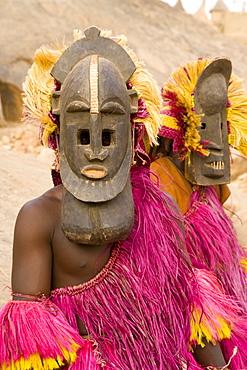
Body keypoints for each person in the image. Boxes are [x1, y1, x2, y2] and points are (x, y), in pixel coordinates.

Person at [0, 28, 237, 370]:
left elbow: (192, 306)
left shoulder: (161, 208)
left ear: (132, 130)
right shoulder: (39, 218)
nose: (96, 150)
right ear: (59, 135)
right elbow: (32, 345)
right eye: (83, 134)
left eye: (109, 133)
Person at [151, 56, 247, 370]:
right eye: (208, 128)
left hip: (224, 297)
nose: (219, 144)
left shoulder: (208, 182)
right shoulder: (157, 181)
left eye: (223, 129)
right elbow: (178, 279)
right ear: (181, 136)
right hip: (183, 307)